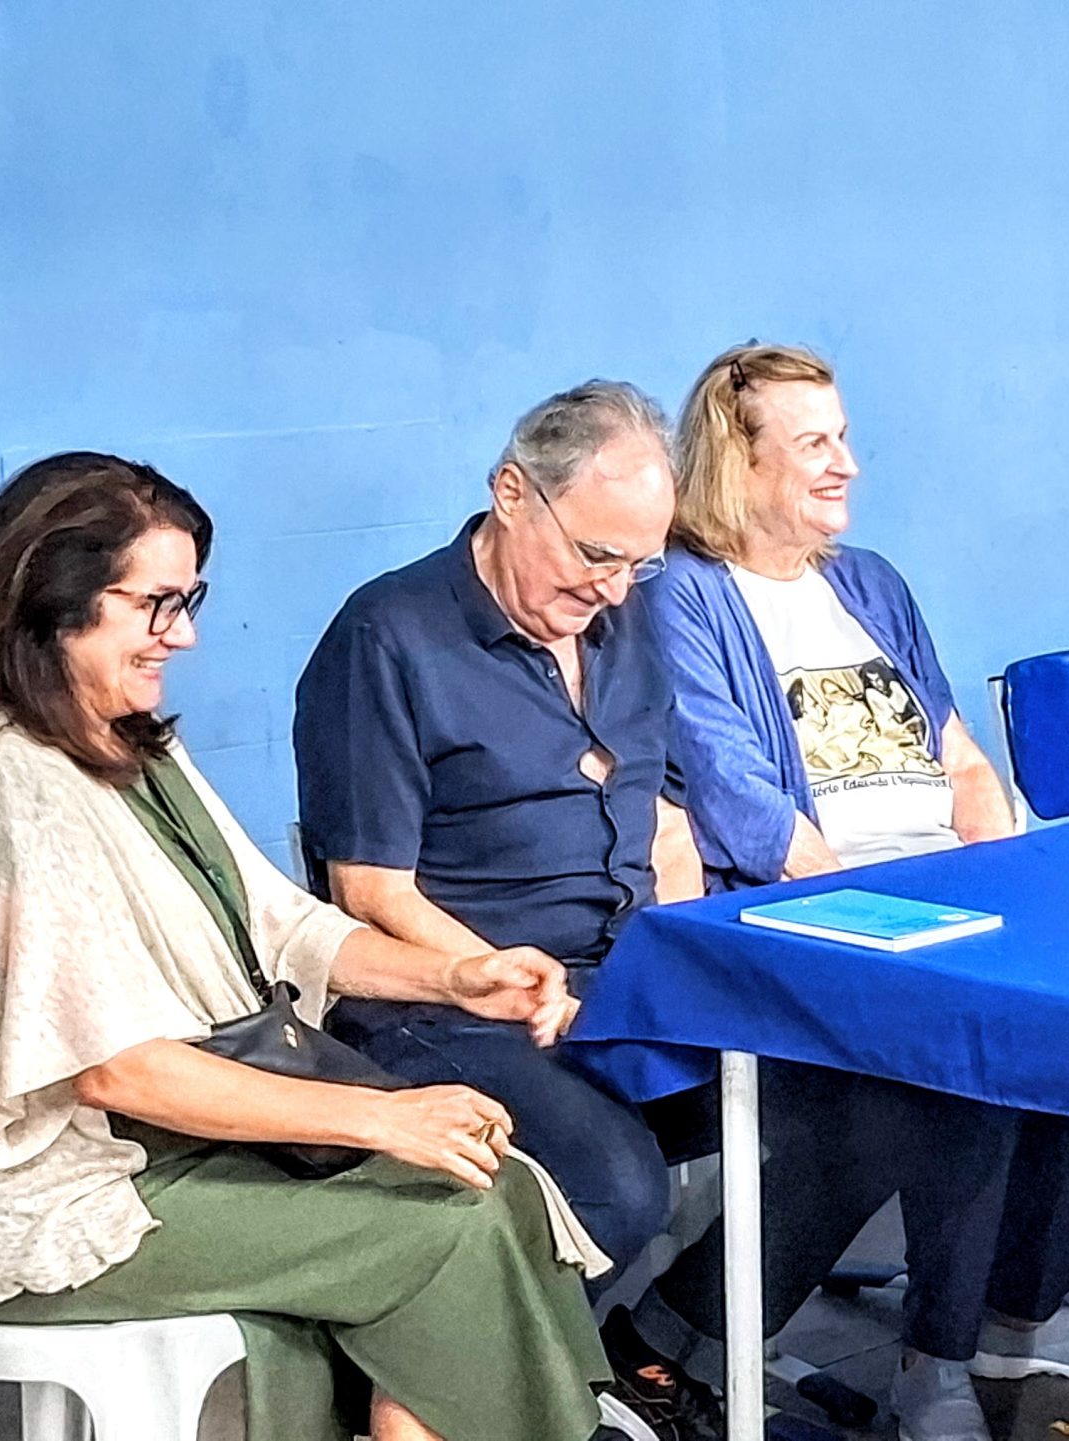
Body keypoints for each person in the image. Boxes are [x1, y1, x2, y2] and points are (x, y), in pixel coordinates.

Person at [0, 452, 614, 1441]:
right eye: (158, 603)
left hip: (164, 1147)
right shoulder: (1, 785)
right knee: (451, 1220)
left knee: (490, 1183)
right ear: (53, 598)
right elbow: (117, 1069)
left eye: (189, 598)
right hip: (66, 1193)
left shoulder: (126, 737)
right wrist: (383, 1119)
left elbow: (280, 927)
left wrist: (459, 975)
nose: (187, 634)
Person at [645, 343, 1069, 1441]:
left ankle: (1018, 1312)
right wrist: (907, 919)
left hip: (945, 893)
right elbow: (748, 811)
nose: (847, 465)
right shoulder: (686, 596)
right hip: (818, 916)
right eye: (814, 443)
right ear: (738, 461)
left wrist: (994, 868)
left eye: (843, 437)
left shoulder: (868, 580)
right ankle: (935, 1359)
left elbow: (959, 758)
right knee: (970, 1056)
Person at [293, 382, 716, 1435]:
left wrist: (691, 963)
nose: (615, 589)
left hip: (619, 978)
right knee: (614, 1184)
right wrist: (502, 979)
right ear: (511, 492)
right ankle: (447, 1398)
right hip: (443, 1001)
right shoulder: (387, 637)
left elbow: (665, 825)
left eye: (639, 563)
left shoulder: (627, 626)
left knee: (843, 1103)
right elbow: (370, 894)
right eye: (594, 555)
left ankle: (644, 1351)